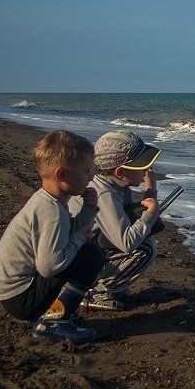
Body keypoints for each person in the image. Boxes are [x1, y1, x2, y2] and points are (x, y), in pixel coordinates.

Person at [0, 130, 105, 343]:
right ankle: (53, 322)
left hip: (15, 293)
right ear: (62, 175)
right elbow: (50, 266)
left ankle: (58, 313)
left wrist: (88, 210)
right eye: (87, 171)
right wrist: (79, 239)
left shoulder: (49, 201)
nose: (91, 177)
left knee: (85, 251)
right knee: (90, 255)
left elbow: (69, 235)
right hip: (20, 298)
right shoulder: (51, 212)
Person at [69, 130, 161, 310]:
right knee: (145, 247)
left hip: (88, 247)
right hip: (76, 259)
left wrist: (150, 190)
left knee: (144, 236)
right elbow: (127, 243)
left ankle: (100, 284)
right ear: (120, 172)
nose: (146, 170)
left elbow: (132, 215)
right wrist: (150, 215)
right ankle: (98, 291)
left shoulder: (116, 185)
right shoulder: (105, 194)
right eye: (141, 167)